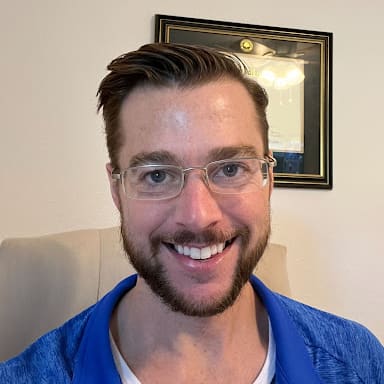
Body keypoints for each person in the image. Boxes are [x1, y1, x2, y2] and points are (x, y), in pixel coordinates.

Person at [0, 43, 383, 384]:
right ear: (117, 189)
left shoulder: (360, 363)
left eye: (231, 168)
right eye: (157, 175)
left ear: (268, 179)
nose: (199, 216)